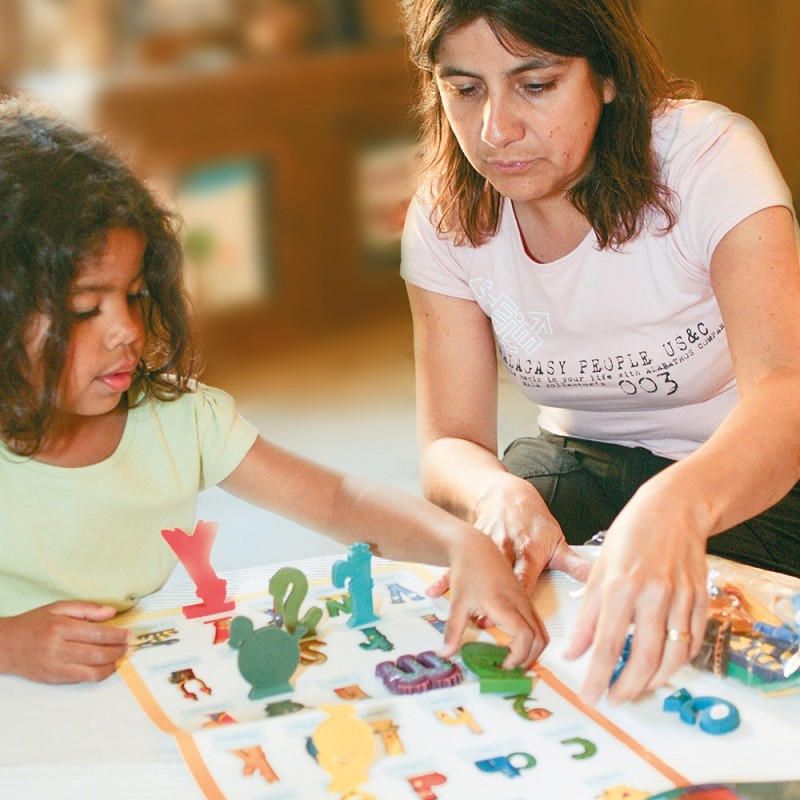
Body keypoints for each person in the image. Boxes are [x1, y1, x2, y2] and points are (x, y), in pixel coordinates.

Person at [0, 96, 546, 685]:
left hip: (114, 687)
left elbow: (336, 500)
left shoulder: (178, 419)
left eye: (133, 297)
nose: (127, 331)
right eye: (85, 309)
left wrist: (459, 541)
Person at [399, 0, 800, 706]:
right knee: (492, 615)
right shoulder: (442, 214)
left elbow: (785, 392)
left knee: (721, 661)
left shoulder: (710, 157)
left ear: (607, 74)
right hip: (581, 455)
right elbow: (450, 444)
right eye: (464, 89)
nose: (496, 130)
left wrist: (676, 507)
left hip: (748, 463)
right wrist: (496, 493)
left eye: (536, 84)